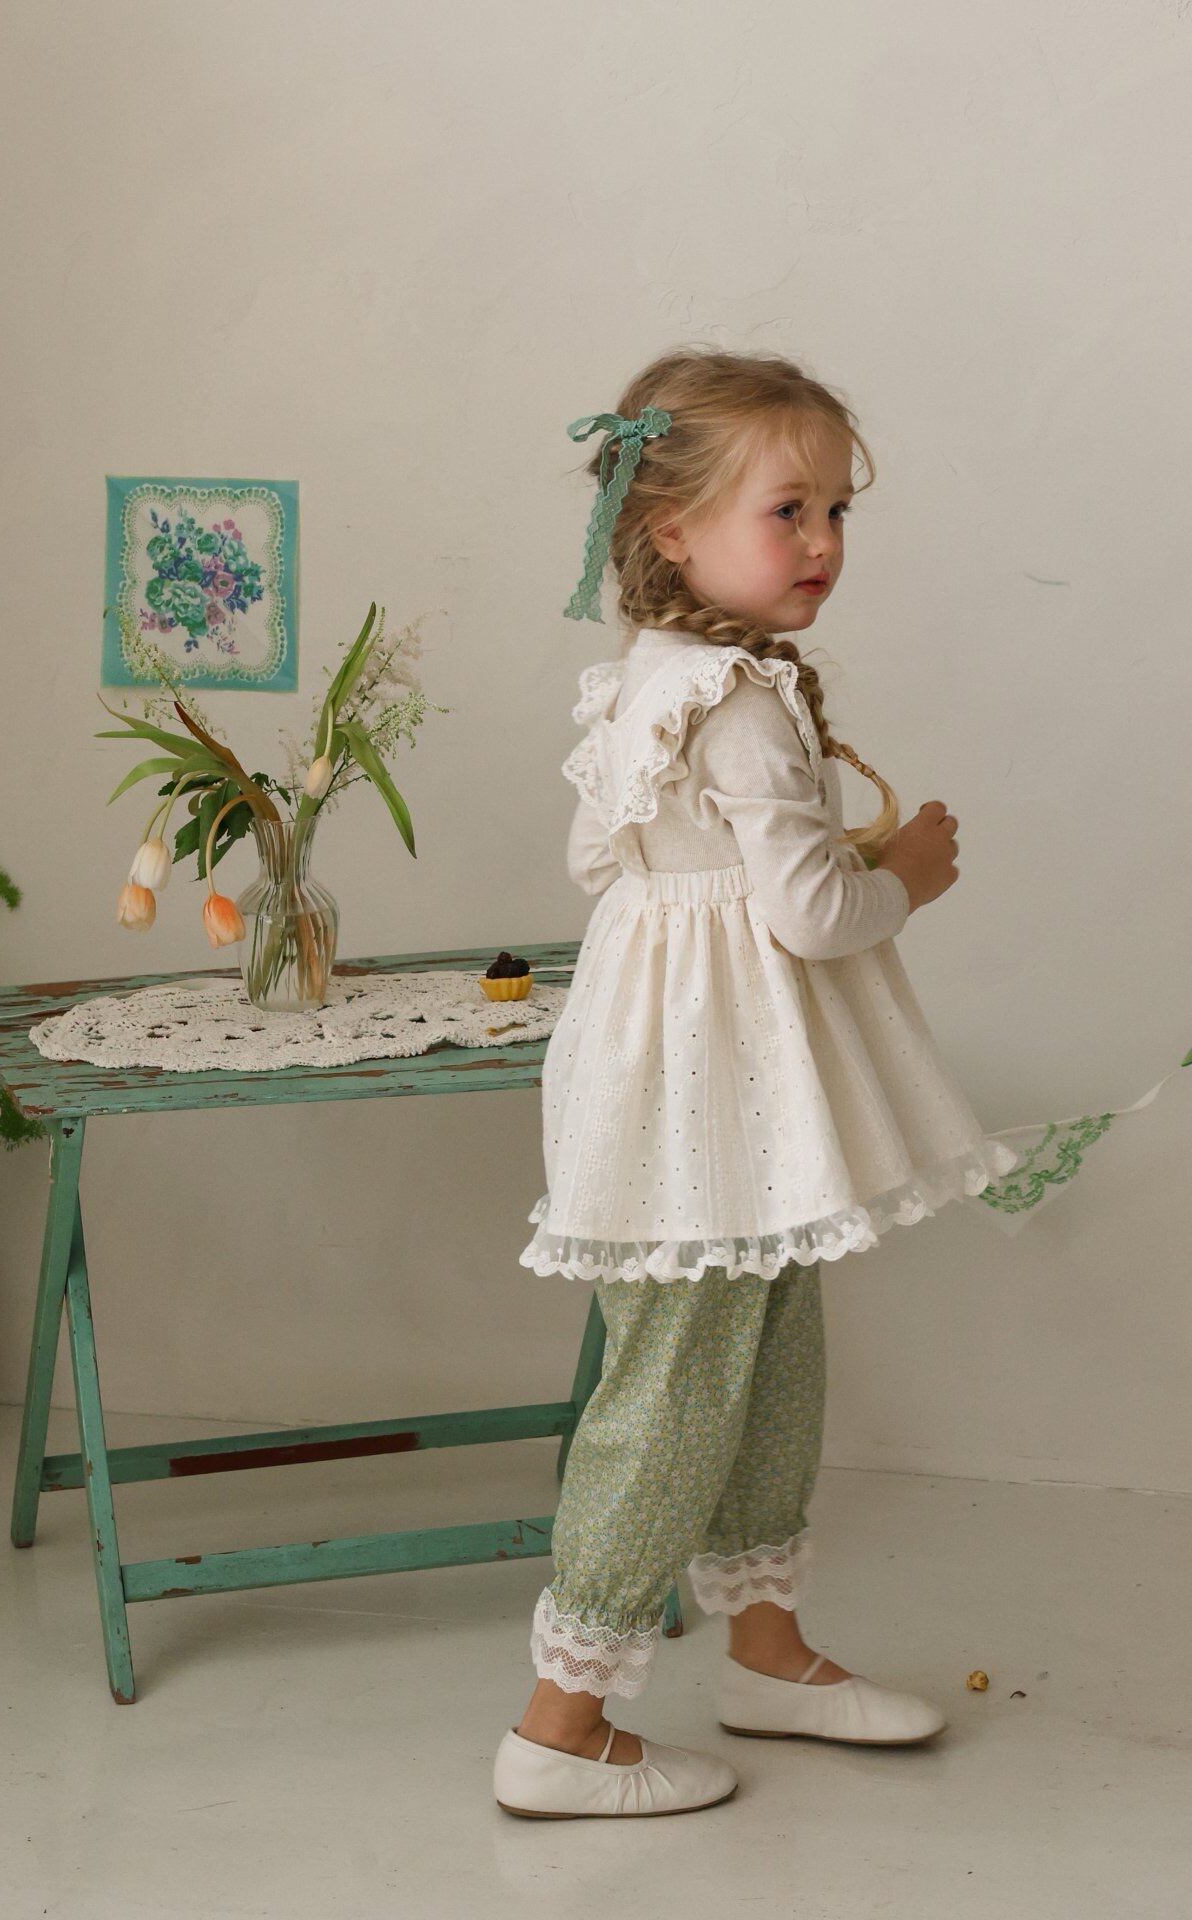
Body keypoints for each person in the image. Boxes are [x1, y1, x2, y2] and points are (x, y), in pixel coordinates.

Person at [492, 349, 1022, 1820]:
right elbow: (810, 917)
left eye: (837, 510)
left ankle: (768, 1654)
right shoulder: (734, 695)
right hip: (707, 1096)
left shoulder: (649, 682)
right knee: (675, 1388)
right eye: (788, 510)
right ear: (671, 528)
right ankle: (559, 1726)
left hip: (693, 1073)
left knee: (766, 1354)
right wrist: (900, 872)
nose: (823, 542)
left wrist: (755, 877)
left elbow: (613, 865)